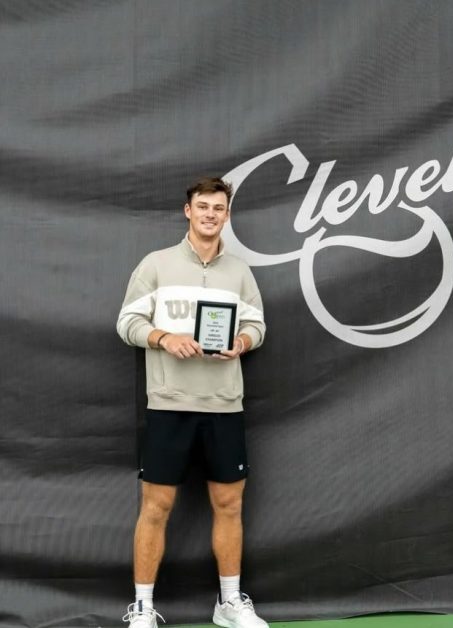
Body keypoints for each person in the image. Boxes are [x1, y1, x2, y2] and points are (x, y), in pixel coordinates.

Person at [116, 177, 267, 628]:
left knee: (230, 505)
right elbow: (127, 322)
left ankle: (228, 604)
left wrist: (242, 342)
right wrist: (164, 337)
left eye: (218, 208)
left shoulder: (239, 272)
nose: (209, 215)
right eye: (202, 206)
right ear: (188, 211)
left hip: (224, 405)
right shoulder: (156, 264)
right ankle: (143, 608)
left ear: (227, 215)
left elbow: (257, 326)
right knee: (156, 507)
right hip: (169, 405)